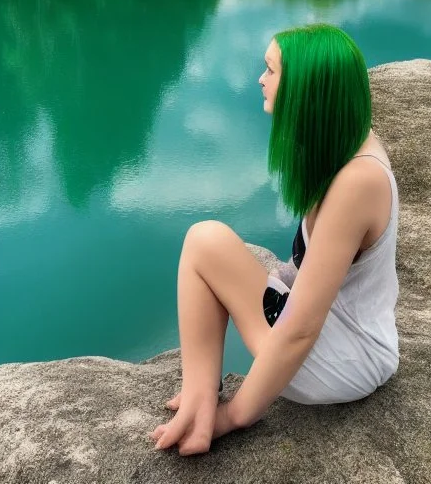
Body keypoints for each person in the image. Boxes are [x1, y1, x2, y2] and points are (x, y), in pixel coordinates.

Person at [150, 23, 399, 456]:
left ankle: (207, 406)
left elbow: (300, 331)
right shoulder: (348, 146)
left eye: (270, 70)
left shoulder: (358, 181)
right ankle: (199, 392)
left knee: (204, 240)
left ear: (306, 87)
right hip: (341, 335)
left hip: (346, 359)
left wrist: (237, 415)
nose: (260, 80)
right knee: (214, 249)